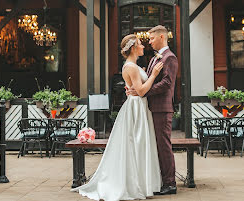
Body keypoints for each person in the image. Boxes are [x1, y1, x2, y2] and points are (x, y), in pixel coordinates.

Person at [72, 34, 164, 201]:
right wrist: (154, 75)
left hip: (139, 106)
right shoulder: (131, 67)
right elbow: (142, 91)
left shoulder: (133, 66)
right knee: (136, 144)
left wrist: (140, 82)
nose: (143, 46)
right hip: (136, 107)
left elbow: (137, 88)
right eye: (140, 44)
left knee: (139, 144)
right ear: (134, 48)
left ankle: (142, 183)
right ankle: (136, 184)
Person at [130, 25, 179, 195]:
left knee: (163, 145)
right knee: (155, 145)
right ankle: (159, 180)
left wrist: (143, 92)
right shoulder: (154, 58)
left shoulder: (170, 58)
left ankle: (170, 183)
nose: (149, 41)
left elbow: (167, 83)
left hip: (161, 109)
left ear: (161, 37)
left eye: (151, 38)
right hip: (151, 107)